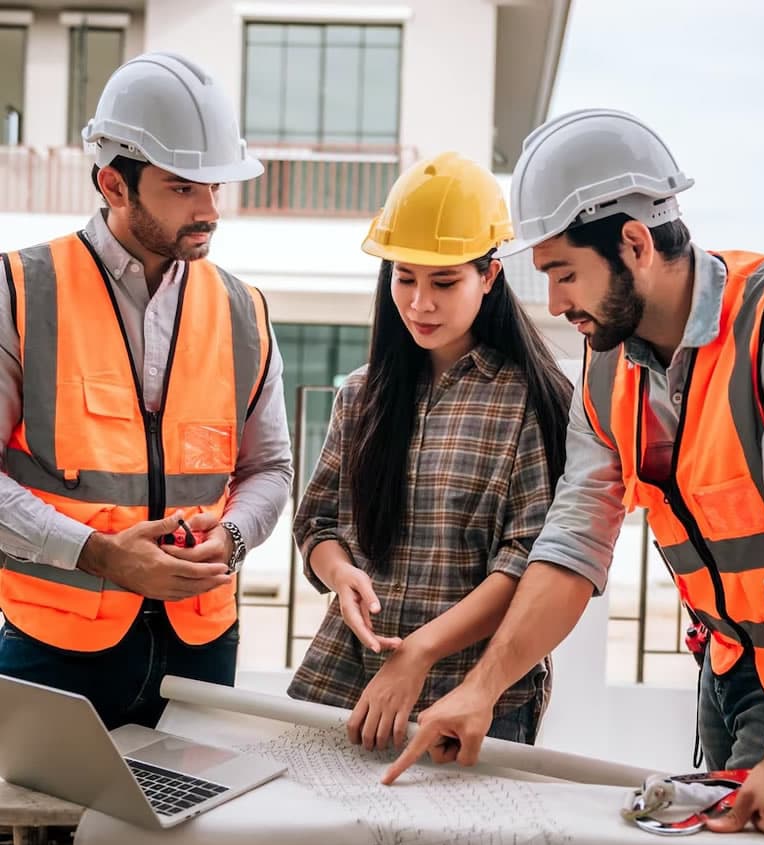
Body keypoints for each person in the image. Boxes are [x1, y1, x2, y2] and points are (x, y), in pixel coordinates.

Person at [383, 109, 764, 840]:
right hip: (729, 665)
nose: (557, 304)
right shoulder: (606, 366)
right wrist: (480, 690)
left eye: (566, 274)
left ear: (634, 243)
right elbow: (571, 544)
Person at [0, 52, 292, 729]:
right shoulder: (19, 294)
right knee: (43, 836)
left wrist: (238, 539)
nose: (209, 209)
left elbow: (270, 468)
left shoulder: (243, 310)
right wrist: (100, 556)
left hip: (204, 650)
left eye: (215, 186)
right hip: (54, 651)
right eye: (182, 187)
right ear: (115, 184)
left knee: (186, 829)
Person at [287, 152, 572, 751]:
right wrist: (342, 577)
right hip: (350, 680)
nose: (420, 303)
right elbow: (316, 523)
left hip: (472, 698)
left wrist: (419, 653)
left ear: (490, 276)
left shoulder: (531, 402)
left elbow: (526, 564)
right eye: (404, 278)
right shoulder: (362, 395)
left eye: (444, 282)